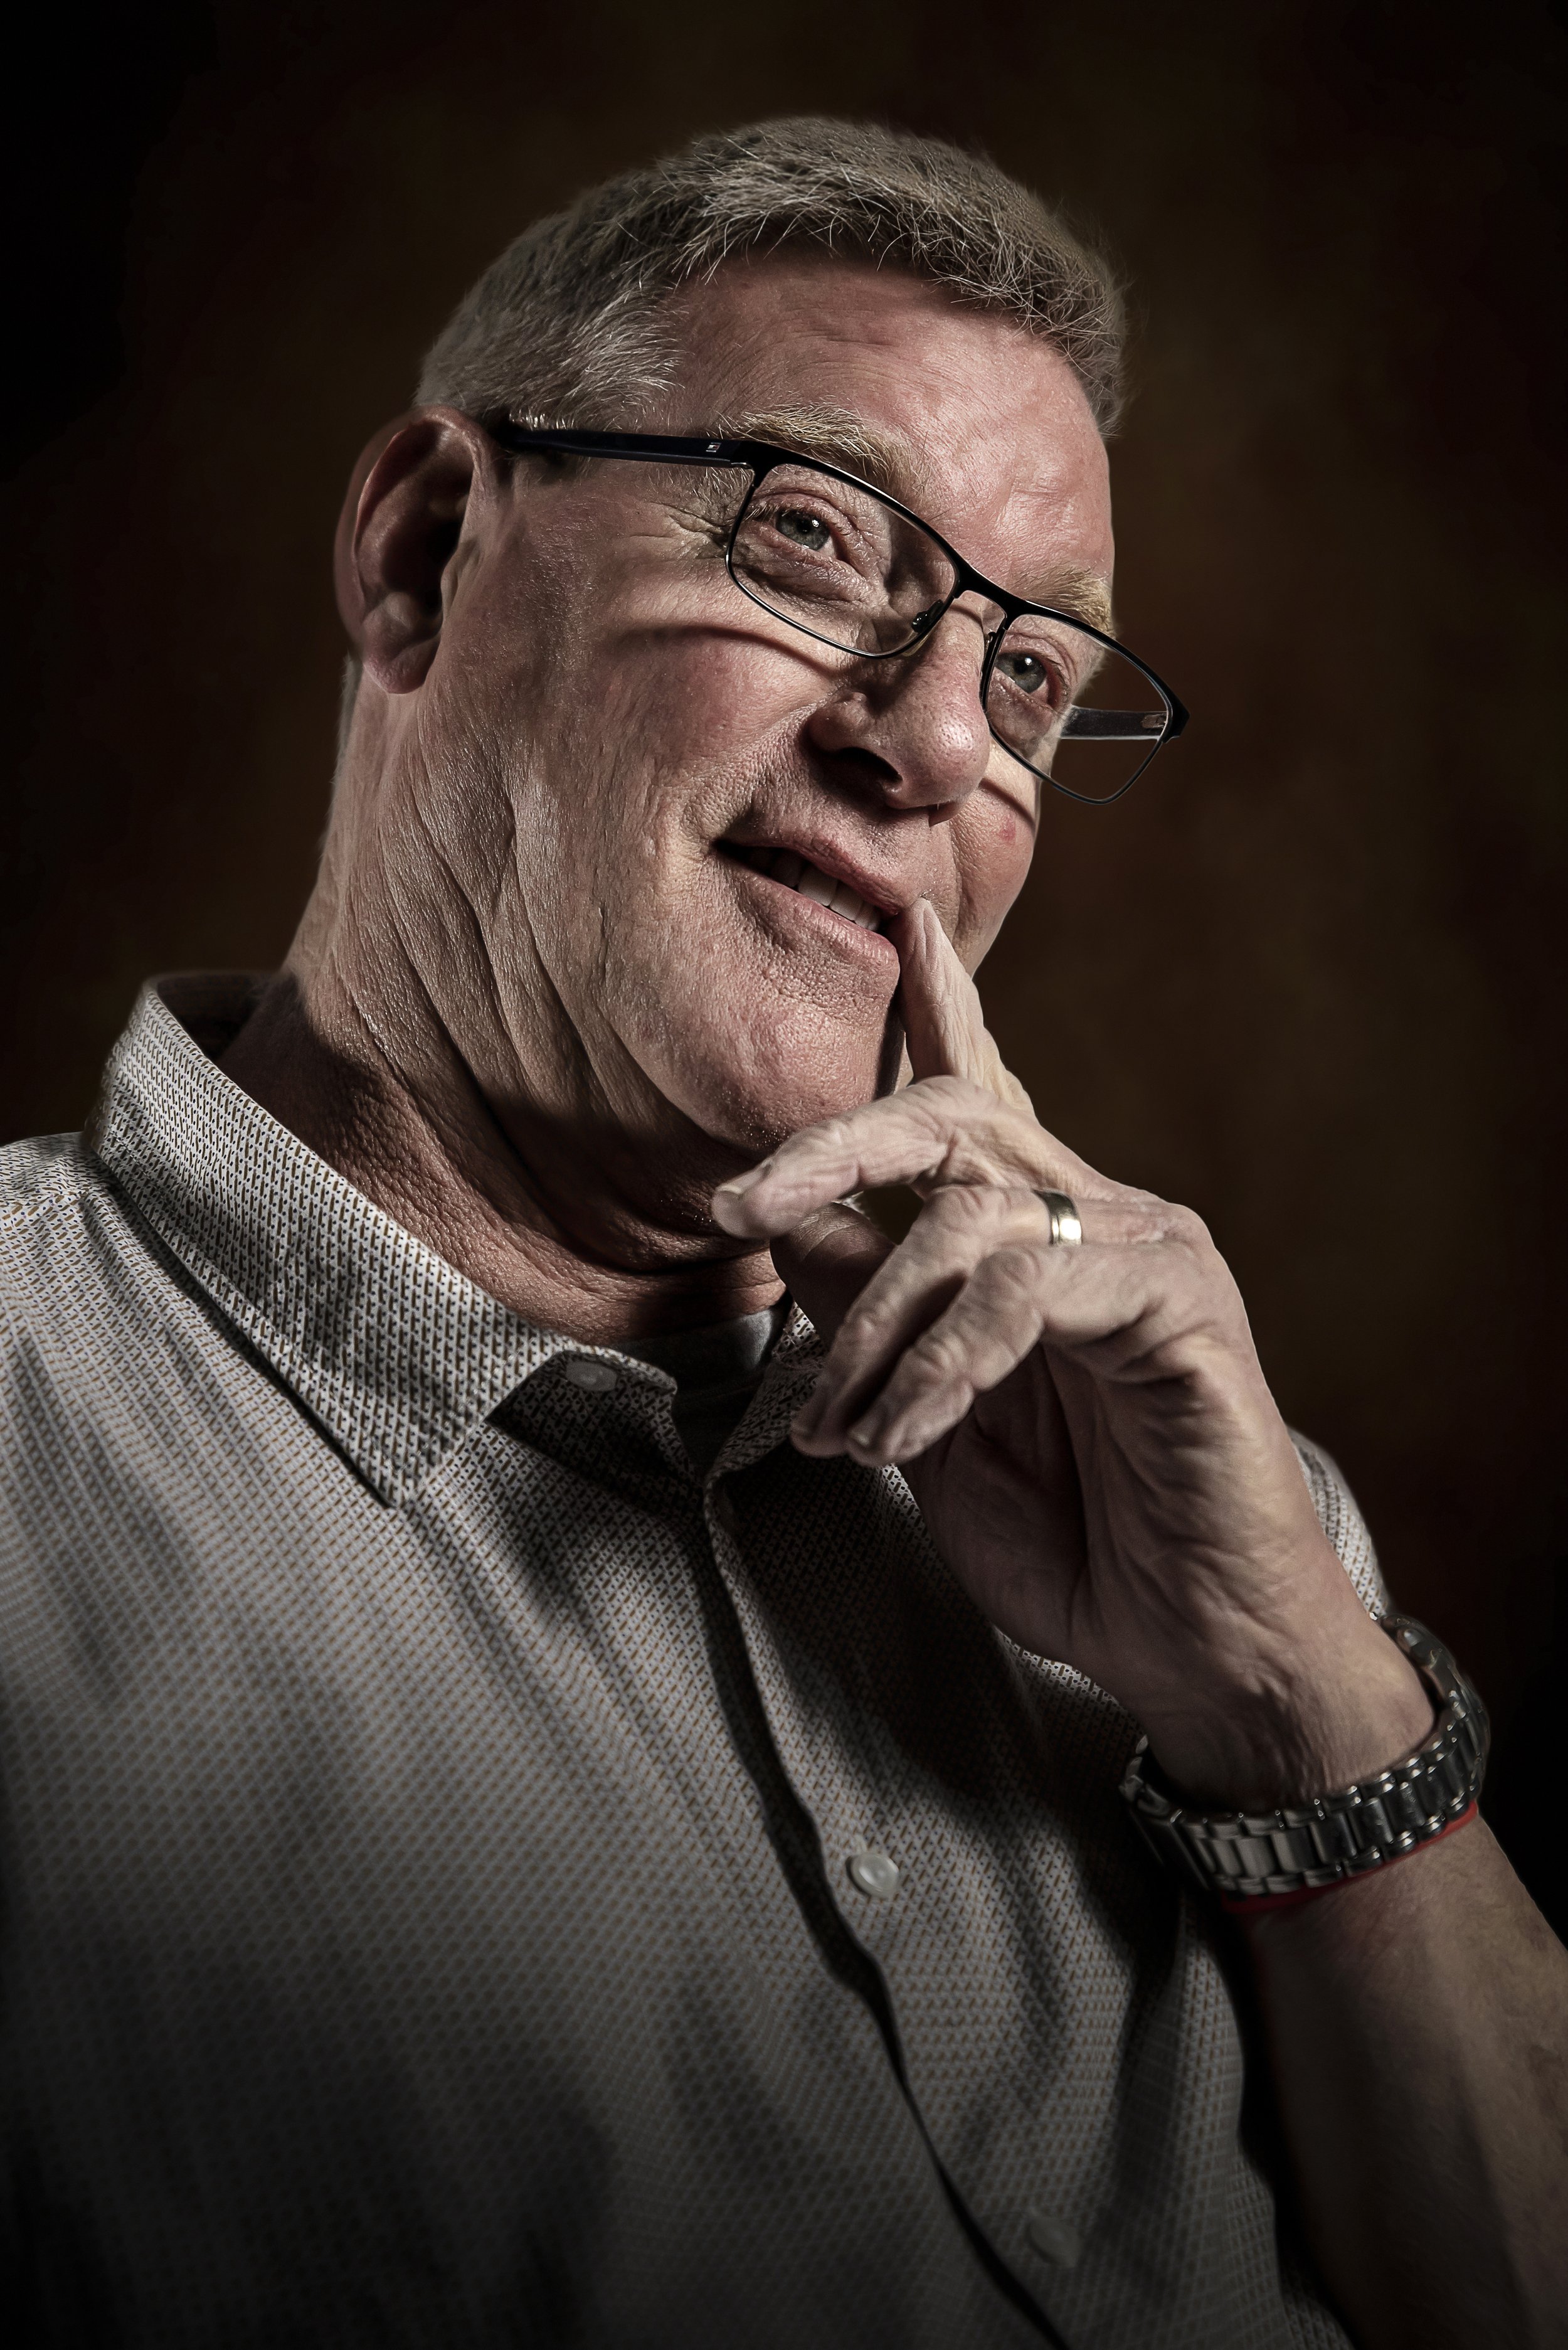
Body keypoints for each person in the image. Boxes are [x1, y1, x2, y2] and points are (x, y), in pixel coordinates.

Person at [1, 117, 1562, 2350]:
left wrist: (1304, 1701)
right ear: (428, 549)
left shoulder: (1183, 1491)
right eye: (816, 545)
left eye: (1027, 679)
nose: (932, 741)